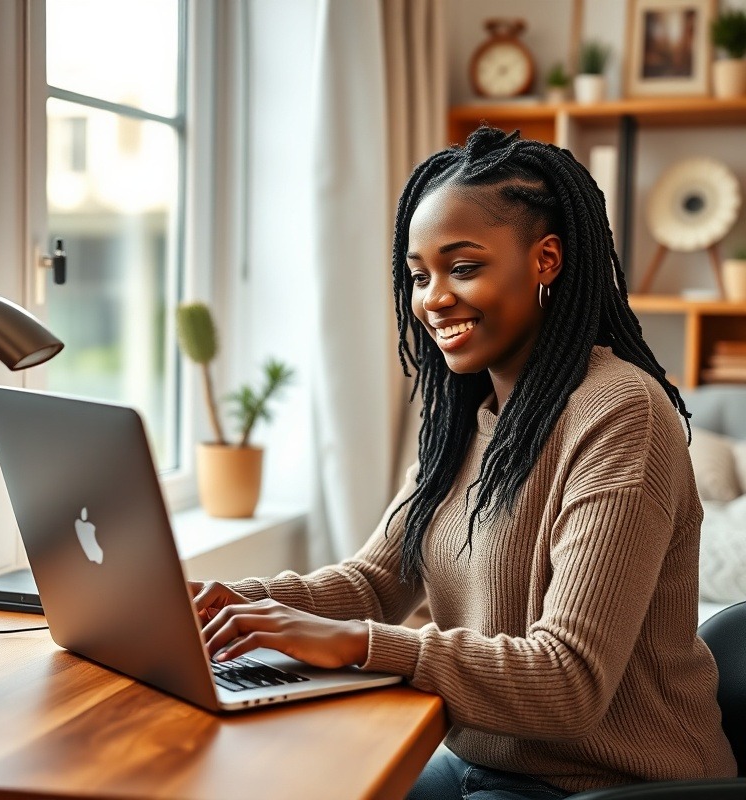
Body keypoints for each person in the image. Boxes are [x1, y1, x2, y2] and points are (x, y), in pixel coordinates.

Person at [191, 125, 737, 798]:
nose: (433, 298)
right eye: (419, 276)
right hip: (482, 762)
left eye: (464, 267)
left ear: (547, 259)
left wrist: (357, 643)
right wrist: (228, 605)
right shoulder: (469, 416)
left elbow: (569, 680)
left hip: (599, 784)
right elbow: (374, 581)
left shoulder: (622, 413)